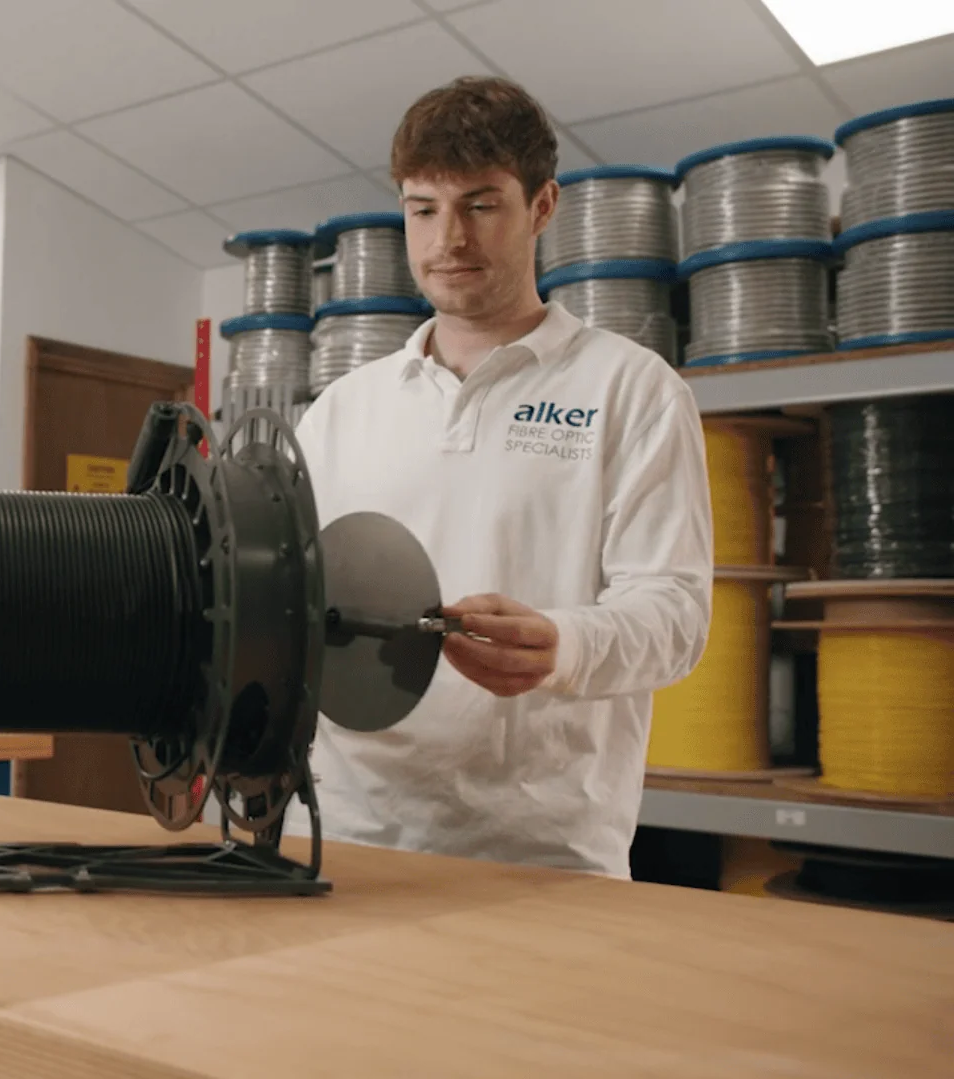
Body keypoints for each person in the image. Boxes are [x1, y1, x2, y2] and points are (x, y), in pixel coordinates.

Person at [293, 76, 713, 879]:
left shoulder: (631, 388)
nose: (447, 237)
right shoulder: (341, 409)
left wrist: (566, 643)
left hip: (544, 851)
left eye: (480, 204)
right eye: (422, 209)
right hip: (349, 838)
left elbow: (675, 613)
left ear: (542, 206)